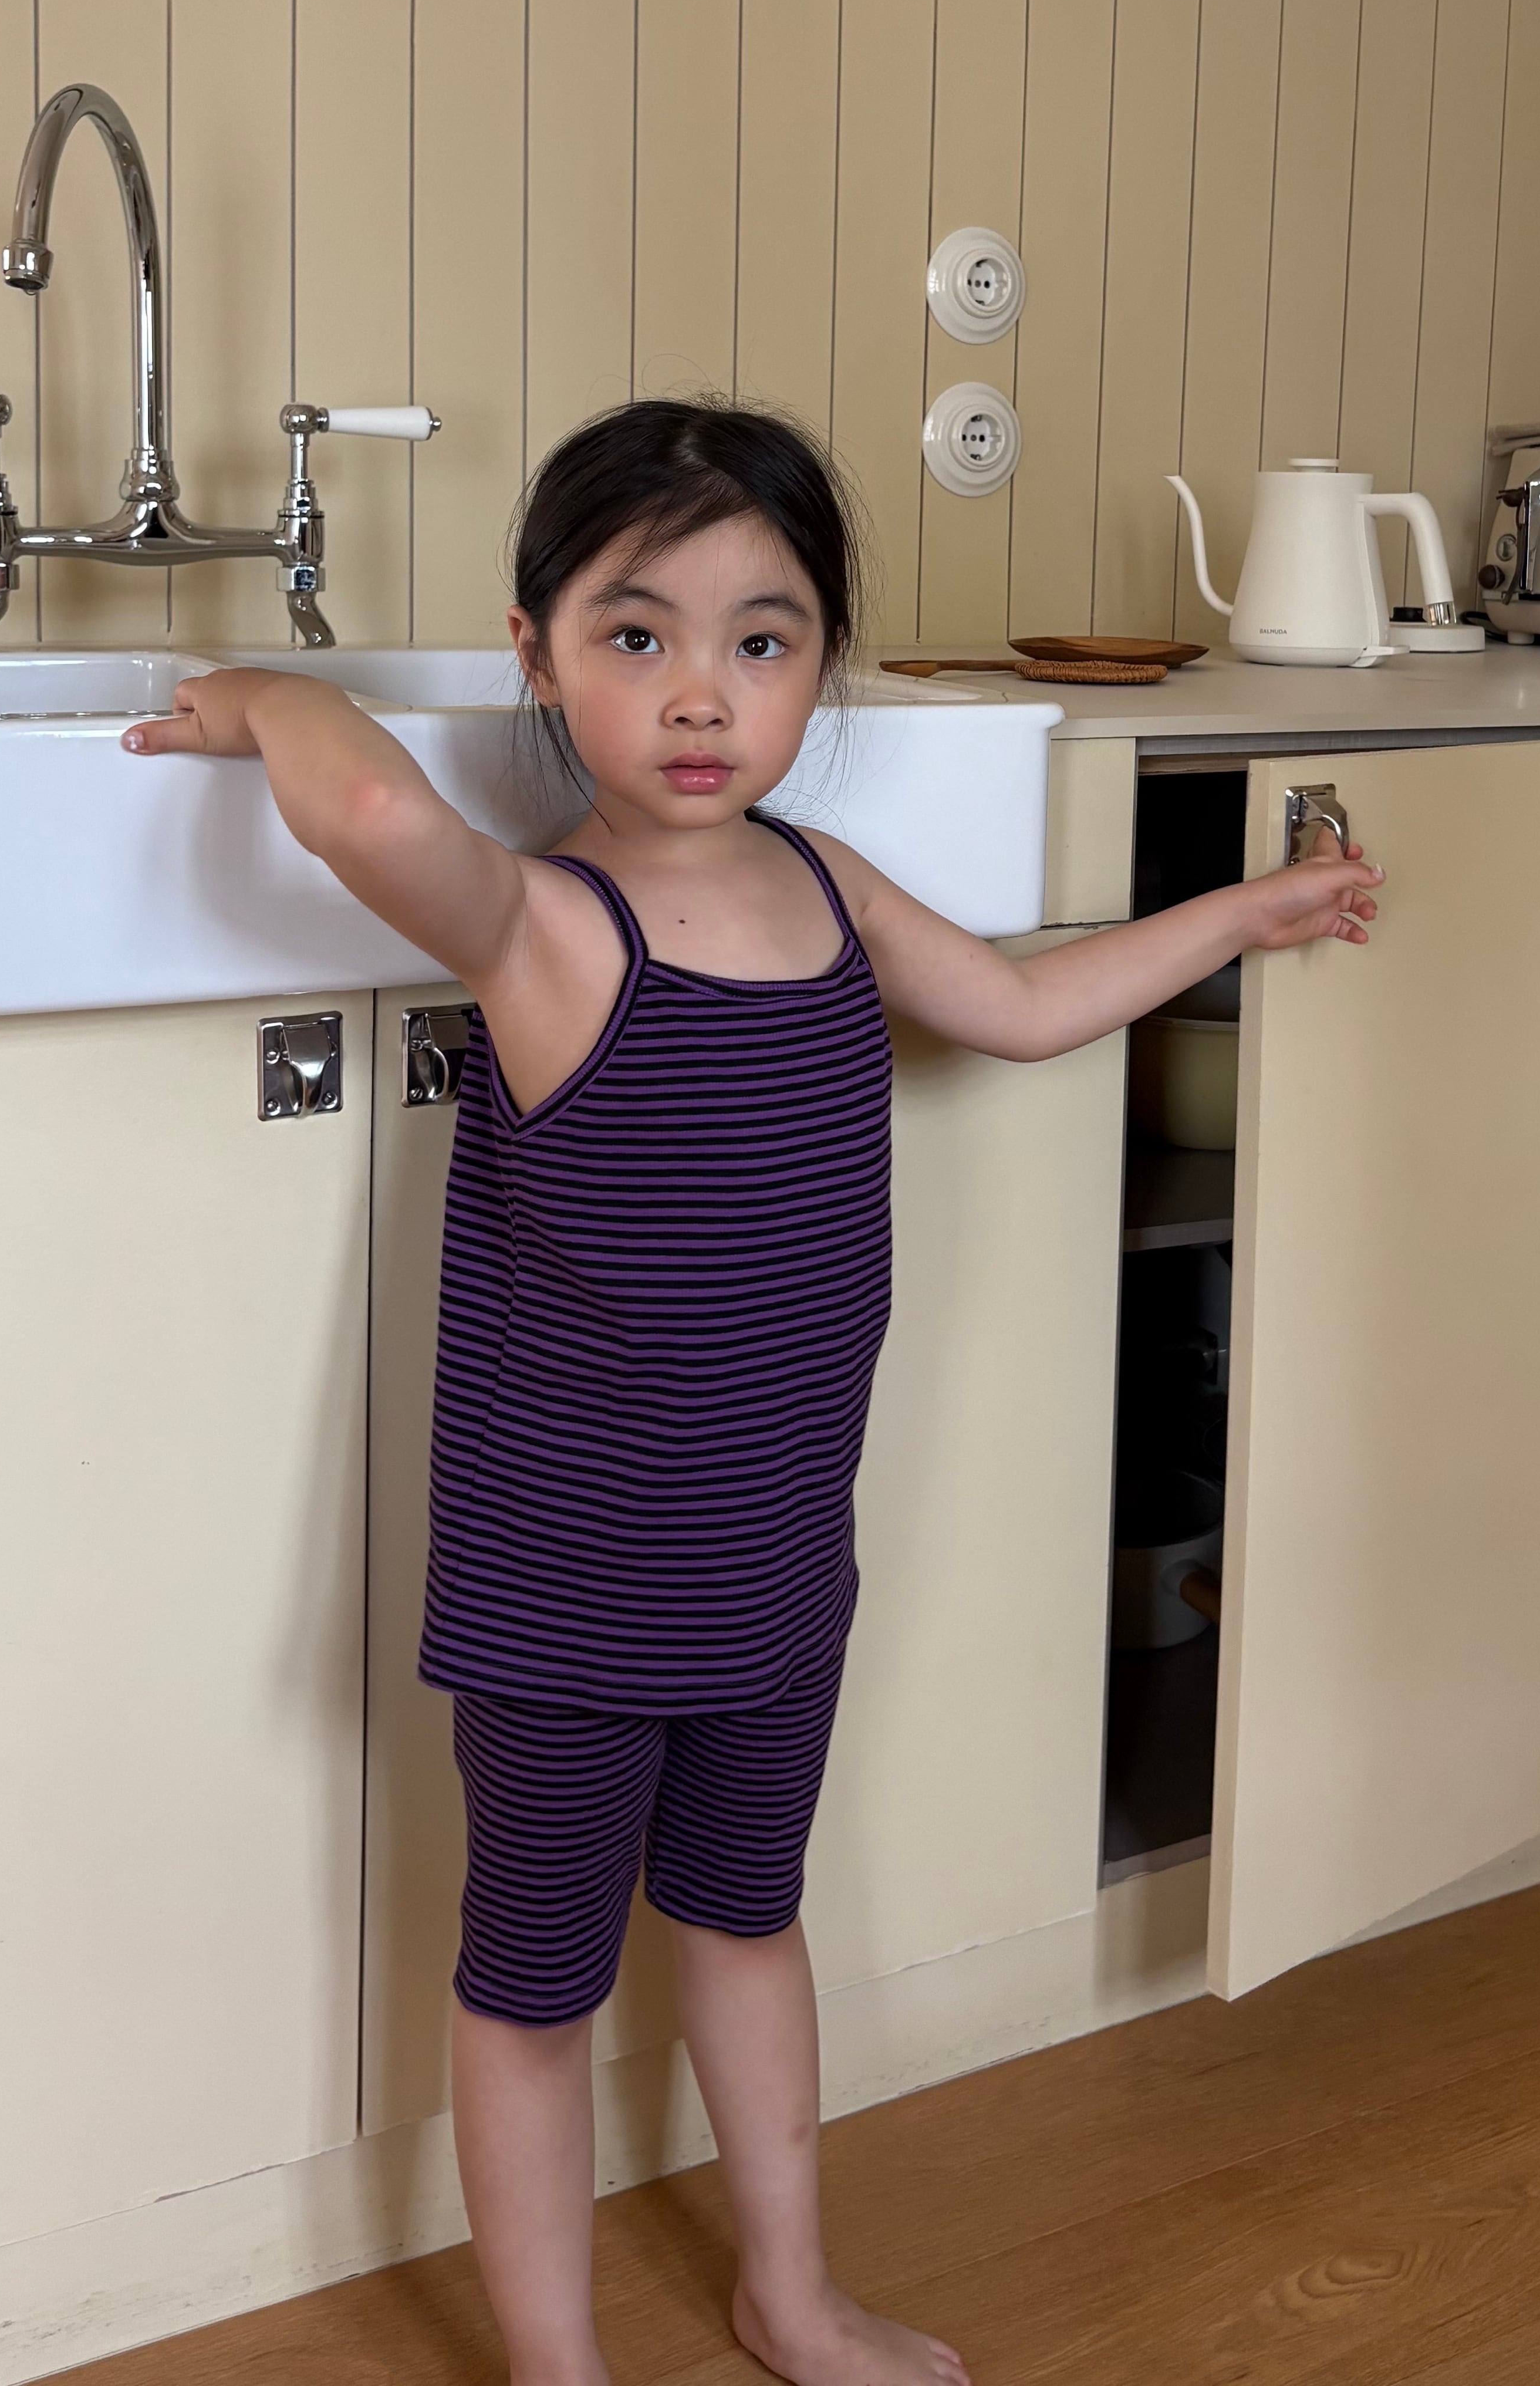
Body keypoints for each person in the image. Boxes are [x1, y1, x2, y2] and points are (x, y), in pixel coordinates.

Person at [123, 397, 1380, 2386]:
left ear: (818, 668)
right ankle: (557, 2371)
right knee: (533, 1991)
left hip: (776, 1580)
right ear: (536, 655)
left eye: (761, 639)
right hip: (565, 1607)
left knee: (747, 1918)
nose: (700, 693)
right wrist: (270, 692)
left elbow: (1023, 1006)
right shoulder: (543, 927)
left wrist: (1247, 910)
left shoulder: (828, 886)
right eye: (634, 635)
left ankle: (786, 2290)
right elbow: (362, 811)